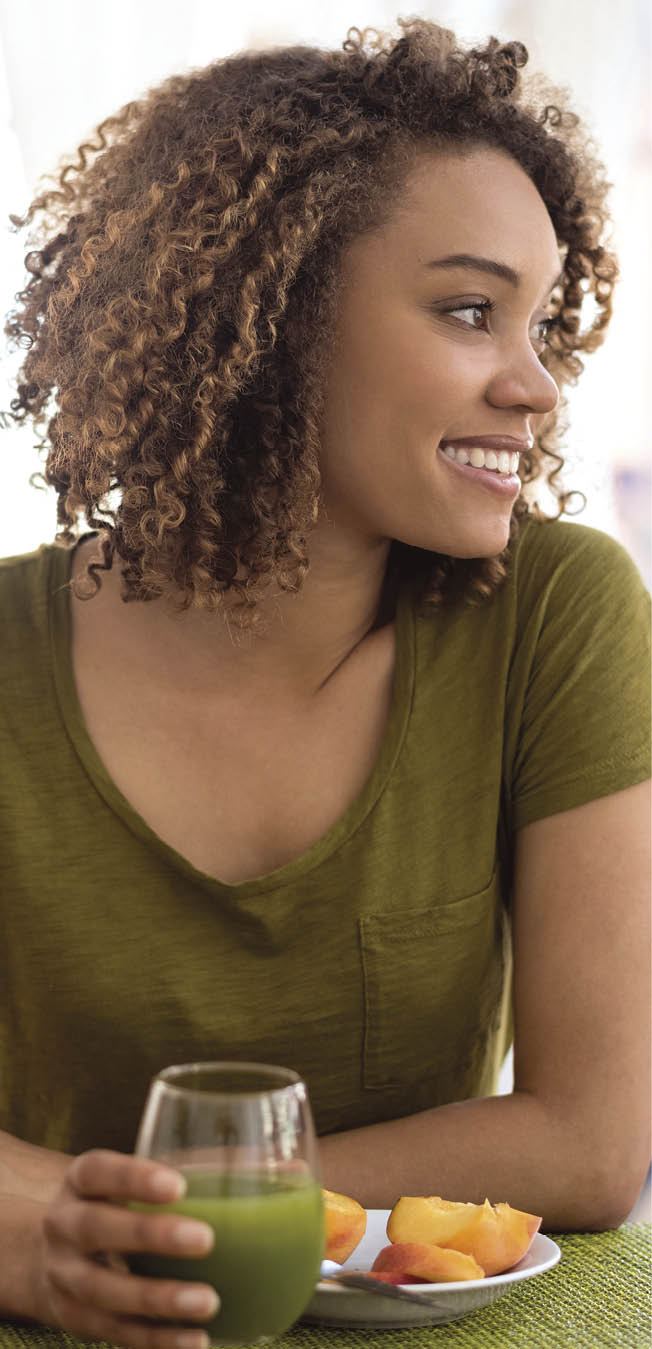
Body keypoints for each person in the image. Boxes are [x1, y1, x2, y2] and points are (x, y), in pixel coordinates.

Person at [1, 16, 649, 1349]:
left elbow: (590, 1139)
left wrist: (157, 1215)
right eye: (471, 310)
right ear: (280, 313)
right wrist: (30, 1239)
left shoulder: (559, 610)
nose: (535, 385)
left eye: (541, 323)